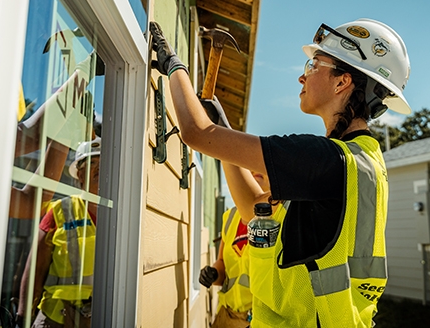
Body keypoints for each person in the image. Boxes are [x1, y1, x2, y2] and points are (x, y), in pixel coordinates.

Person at [149, 19, 412, 327]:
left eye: (313, 65)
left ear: (342, 82)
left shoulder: (326, 160)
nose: (303, 76)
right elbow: (253, 210)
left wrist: (174, 66)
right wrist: (224, 136)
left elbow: (195, 132)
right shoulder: (364, 162)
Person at [16, 138, 102, 328]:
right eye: (92, 163)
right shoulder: (61, 211)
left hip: (101, 315)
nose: (99, 169)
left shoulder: (121, 215)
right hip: (56, 317)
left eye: (104, 164)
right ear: (79, 174)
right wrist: (23, 315)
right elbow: (35, 269)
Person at [199, 172, 281, 328]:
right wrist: (214, 274)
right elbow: (222, 263)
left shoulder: (280, 218)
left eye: (261, 164)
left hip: (259, 320)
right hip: (226, 315)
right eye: (249, 165)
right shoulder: (229, 217)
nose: (254, 169)